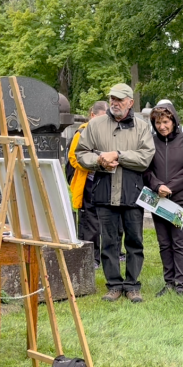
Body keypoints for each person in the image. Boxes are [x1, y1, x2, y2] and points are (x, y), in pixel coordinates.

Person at [75, 83, 155, 303]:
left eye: (120, 99)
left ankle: (132, 285)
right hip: (104, 191)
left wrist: (118, 155)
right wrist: (100, 161)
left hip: (132, 191)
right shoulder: (95, 125)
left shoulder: (141, 127)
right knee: (109, 241)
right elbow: (81, 153)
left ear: (130, 102)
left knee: (134, 241)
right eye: (112, 99)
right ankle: (113, 285)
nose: (115, 103)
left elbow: (145, 158)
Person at [145, 104, 183, 296]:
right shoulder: (150, 142)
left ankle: (181, 285)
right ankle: (169, 282)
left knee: (179, 242)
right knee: (164, 243)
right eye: (158, 122)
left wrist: (171, 187)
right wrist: (157, 185)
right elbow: (146, 169)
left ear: (174, 121)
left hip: (180, 200)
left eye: (165, 121)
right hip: (158, 200)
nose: (162, 126)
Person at [68, 101, 108, 265]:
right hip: (88, 183)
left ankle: (101, 256)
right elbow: (73, 158)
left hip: (105, 182)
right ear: (93, 115)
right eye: (102, 118)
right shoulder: (82, 132)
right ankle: (89, 258)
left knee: (102, 221)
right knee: (89, 223)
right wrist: (93, 163)